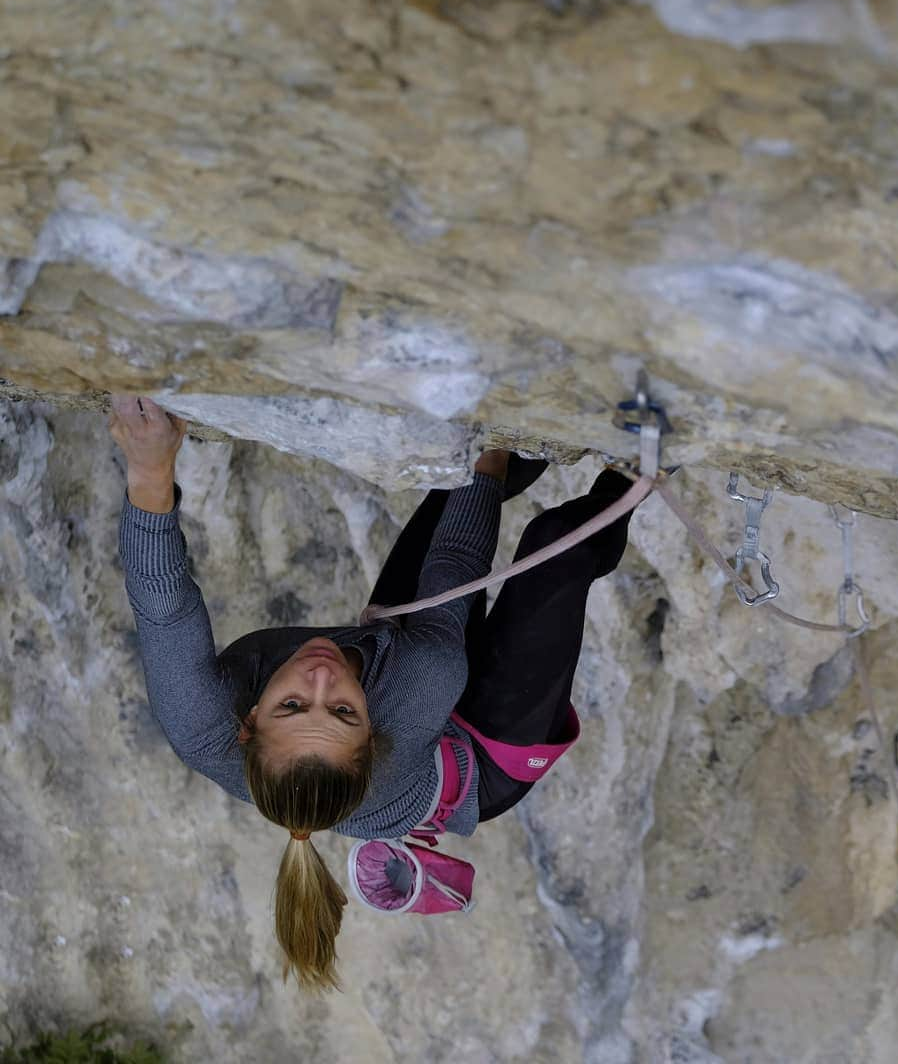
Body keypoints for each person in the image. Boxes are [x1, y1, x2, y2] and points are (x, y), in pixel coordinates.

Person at [109, 393, 638, 990]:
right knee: (554, 544)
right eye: (341, 709)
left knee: (453, 481)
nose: (320, 676)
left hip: (394, 689)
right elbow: (458, 562)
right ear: (370, 730)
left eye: (291, 705)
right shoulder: (417, 684)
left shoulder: (198, 723)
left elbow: (163, 602)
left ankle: (550, 422)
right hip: (477, 758)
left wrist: (150, 466)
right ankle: (643, 464)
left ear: (247, 721)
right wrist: (492, 432)